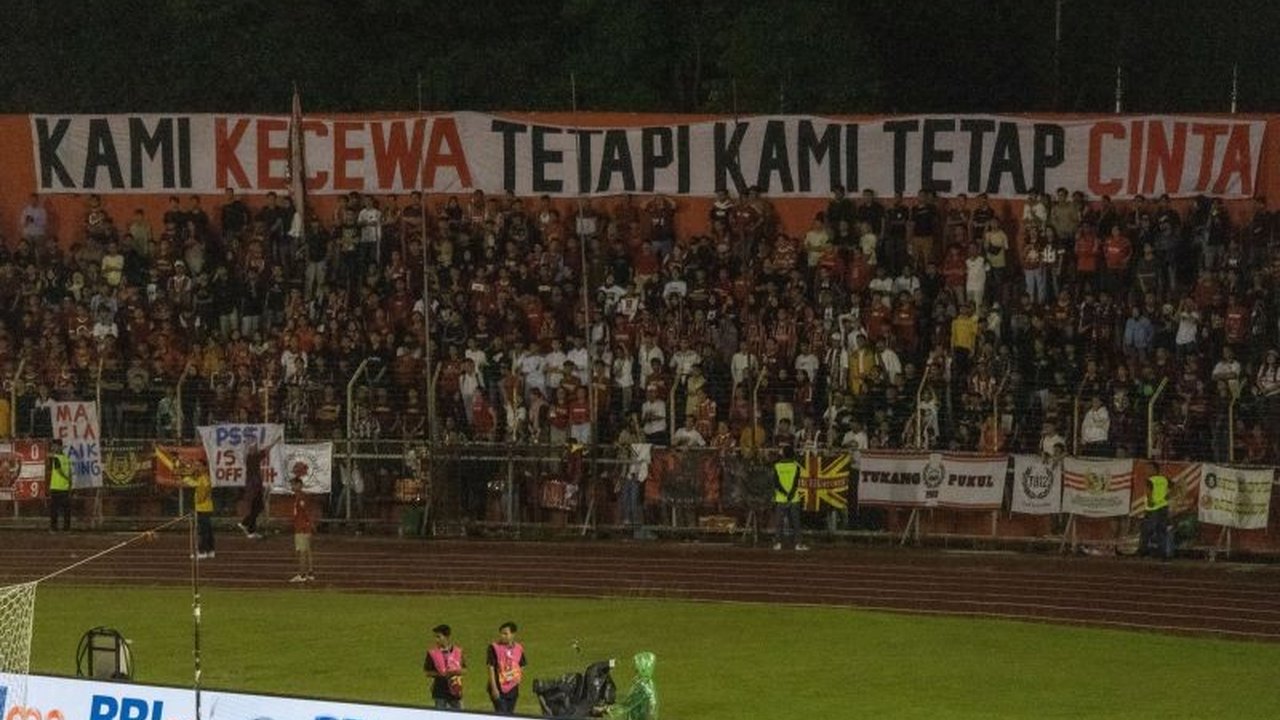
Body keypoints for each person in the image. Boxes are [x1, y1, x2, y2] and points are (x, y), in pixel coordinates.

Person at [237, 440, 276, 539]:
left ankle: (250, 528)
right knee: (258, 507)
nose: (255, 449)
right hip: (254, 487)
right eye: (253, 448)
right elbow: (268, 448)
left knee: (256, 508)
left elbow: (265, 449)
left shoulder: (250, 457)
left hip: (253, 487)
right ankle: (246, 524)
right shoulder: (253, 457)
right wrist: (276, 440)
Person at [602, 651, 659, 720]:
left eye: (636, 666)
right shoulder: (647, 682)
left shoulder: (643, 686)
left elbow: (627, 705)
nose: (634, 668)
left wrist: (606, 709)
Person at [772, 445, 807, 551]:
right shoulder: (796, 466)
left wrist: (785, 494)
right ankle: (798, 544)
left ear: (783, 454)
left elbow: (776, 483)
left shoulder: (777, 466)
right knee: (796, 523)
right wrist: (790, 495)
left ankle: (777, 543)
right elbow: (796, 483)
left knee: (779, 523)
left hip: (781, 498)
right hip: (793, 498)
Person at [487, 621, 526, 714]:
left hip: (513, 690)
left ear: (513, 634)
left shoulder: (518, 648)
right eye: (501, 633)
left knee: (510, 715)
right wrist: (494, 688)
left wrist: (516, 678)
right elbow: (491, 668)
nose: (502, 636)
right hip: (498, 689)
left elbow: (522, 665)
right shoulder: (494, 647)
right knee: (502, 714)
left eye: (505, 634)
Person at [424, 623, 466, 710]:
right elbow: (427, 672)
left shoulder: (458, 651)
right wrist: (441, 674)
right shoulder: (432, 653)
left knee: (460, 715)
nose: (436, 640)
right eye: (435, 637)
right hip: (440, 690)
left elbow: (464, 669)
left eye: (439, 637)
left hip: (455, 689)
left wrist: (455, 672)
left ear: (447, 637)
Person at [1140, 464, 1172, 560]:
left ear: (1154, 470)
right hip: (1163, 507)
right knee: (1161, 531)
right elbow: (1175, 487)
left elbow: (1149, 491)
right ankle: (1163, 553)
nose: (1147, 471)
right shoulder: (1164, 479)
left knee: (1147, 530)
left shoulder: (1150, 480)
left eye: (1149, 468)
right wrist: (1168, 496)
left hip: (1152, 509)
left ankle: (1144, 552)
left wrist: (1150, 501)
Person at [185, 457, 215, 559]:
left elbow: (202, 493)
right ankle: (210, 550)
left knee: (203, 531)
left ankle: (203, 551)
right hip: (205, 507)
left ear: (204, 467)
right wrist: (187, 478)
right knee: (208, 530)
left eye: (198, 466)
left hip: (203, 508)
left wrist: (198, 501)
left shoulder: (204, 478)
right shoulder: (202, 477)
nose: (196, 468)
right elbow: (194, 483)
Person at [289, 475, 315, 582]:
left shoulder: (300, 497)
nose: (292, 486)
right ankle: (310, 573)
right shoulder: (300, 496)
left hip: (302, 528)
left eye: (293, 484)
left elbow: (306, 511)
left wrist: (307, 524)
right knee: (308, 551)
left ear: (298, 485)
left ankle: (302, 575)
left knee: (302, 552)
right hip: (305, 527)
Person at [48, 438, 72, 532]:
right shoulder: (60, 457)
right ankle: (57, 528)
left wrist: (69, 480)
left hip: (60, 487)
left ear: (60, 447)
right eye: (53, 446)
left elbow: (64, 471)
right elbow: (62, 471)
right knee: (57, 510)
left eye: (55, 446)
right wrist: (69, 479)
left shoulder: (61, 457)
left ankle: (62, 528)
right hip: (57, 487)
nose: (54, 448)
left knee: (64, 510)